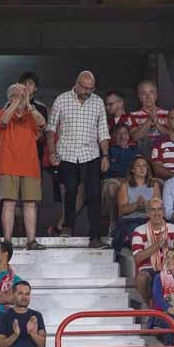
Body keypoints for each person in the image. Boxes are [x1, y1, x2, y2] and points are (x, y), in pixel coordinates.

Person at [46, 71, 111, 248]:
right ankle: (67, 226)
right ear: (76, 83)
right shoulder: (62, 99)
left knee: (94, 193)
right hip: (66, 153)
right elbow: (51, 129)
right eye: (84, 88)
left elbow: (103, 132)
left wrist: (105, 155)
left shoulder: (97, 102)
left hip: (91, 154)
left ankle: (95, 235)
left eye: (91, 88)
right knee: (71, 189)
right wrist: (52, 152)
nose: (87, 92)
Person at [0, 82, 46, 247]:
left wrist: (28, 104)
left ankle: (31, 240)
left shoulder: (31, 115)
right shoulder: (3, 112)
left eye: (25, 95)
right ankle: (7, 241)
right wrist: (15, 102)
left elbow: (42, 122)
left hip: (29, 166)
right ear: (10, 97)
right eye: (18, 95)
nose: (23, 98)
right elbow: (4, 120)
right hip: (8, 164)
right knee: (8, 203)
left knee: (30, 203)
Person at [113, 156, 160, 254]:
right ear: (133, 170)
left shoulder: (154, 185)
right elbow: (122, 210)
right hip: (130, 220)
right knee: (134, 228)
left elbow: (158, 208)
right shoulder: (125, 185)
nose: (142, 168)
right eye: (138, 166)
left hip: (149, 220)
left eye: (144, 166)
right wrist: (136, 205)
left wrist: (148, 205)